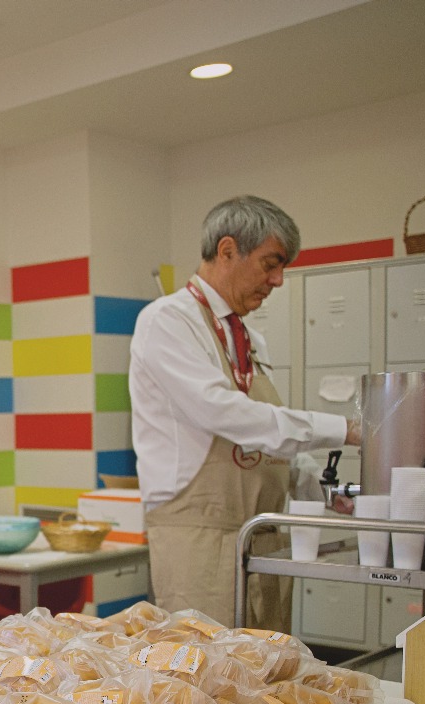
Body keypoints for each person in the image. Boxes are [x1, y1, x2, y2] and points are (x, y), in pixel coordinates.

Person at [129, 195, 361, 630]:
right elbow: (224, 412)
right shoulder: (167, 321)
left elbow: (266, 429)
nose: (277, 281)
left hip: (264, 534)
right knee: (206, 679)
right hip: (203, 538)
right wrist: (343, 429)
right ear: (228, 250)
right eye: (270, 264)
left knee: (266, 677)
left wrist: (320, 486)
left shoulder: (250, 338)